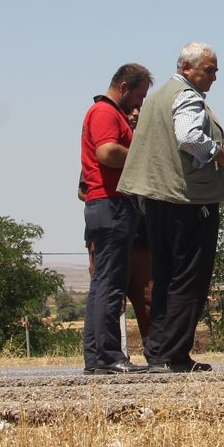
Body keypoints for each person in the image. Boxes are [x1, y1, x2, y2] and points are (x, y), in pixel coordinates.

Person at [119, 42, 224, 373]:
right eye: (209, 69)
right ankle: (175, 355)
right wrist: (220, 155)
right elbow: (189, 137)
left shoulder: (156, 98)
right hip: (187, 201)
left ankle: (158, 353)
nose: (214, 76)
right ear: (187, 69)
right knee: (189, 279)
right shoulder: (187, 96)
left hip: (156, 201)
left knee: (164, 276)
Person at [80, 63, 153, 374]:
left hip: (104, 205)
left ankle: (98, 357)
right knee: (110, 285)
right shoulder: (106, 113)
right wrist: (142, 153)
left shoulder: (104, 113)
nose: (138, 104)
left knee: (103, 284)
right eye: (137, 96)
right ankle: (109, 356)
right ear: (124, 87)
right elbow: (107, 152)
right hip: (111, 204)